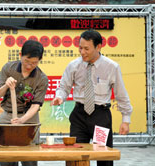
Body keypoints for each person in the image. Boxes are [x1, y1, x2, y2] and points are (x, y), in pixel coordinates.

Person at [51, 30, 133, 166]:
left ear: (98, 47)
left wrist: (126, 120)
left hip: (100, 117)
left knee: (103, 157)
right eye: (80, 48)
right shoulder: (73, 66)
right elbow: (63, 87)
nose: (82, 52)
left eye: (86, 48)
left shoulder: (111, 67)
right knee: (75, 156)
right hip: (79, 116)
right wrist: (60, 97)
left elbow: (121, 94)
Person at [0, 40, 48, 166]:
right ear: (20, 55)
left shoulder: (41, 78)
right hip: (7, 117)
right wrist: (6, 86)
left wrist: (22, 120)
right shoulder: (9, 68)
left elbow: (35, 105)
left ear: (39, 60)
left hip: (29, 119)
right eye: (26, 62)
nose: (29, 66)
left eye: (34, 63)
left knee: (29, 158)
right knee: (6, 158)